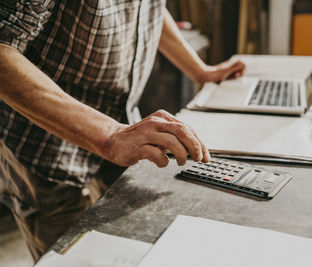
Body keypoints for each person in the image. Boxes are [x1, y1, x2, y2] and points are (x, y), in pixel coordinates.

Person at [0, 0, 245, 262]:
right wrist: (110, 136)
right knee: (71, 258)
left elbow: (149, 9)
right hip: (42, 142)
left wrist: (200, 71)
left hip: (120, 120)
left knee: (132, 249)